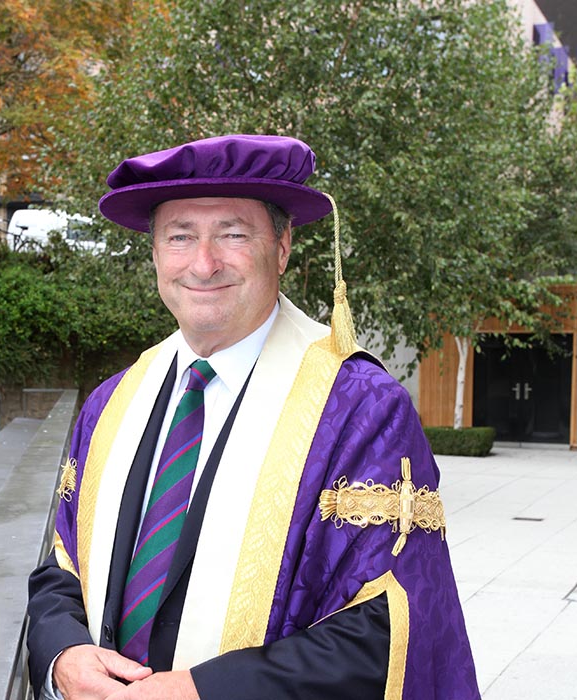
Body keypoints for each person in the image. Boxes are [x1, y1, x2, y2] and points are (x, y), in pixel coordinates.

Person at [27, 134, 480, 700]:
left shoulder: (360, 408)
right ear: (154, 253)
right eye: (180, 236)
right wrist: (62, 655)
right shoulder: (112, 402)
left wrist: (204, 692)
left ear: (283, 246)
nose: (204, 262)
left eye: (234, 234)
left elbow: (388, 626)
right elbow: (59, 568)